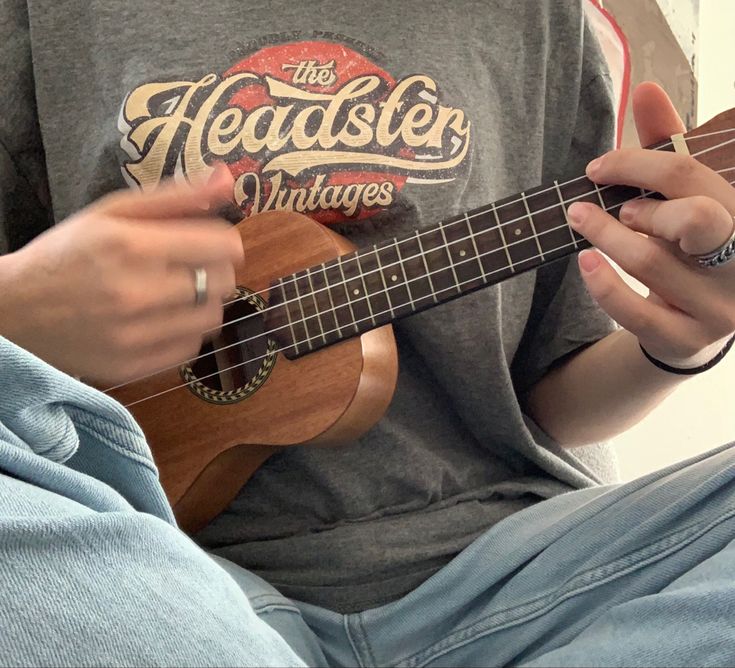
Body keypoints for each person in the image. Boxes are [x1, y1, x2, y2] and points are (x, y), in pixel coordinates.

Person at [1, 0, 734, 665]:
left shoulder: (536, 15)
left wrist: (676, 343)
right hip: (158, 577)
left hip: (514, 571)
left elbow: (550, 404)